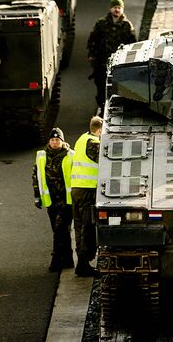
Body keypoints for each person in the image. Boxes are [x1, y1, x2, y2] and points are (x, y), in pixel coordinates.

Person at [32, 127, 75, 272]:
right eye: (52, 140)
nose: (55, 143)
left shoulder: (71, 155)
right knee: (60, 230)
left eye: (57, 140)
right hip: (51, 200)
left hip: (66, 200)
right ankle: (68, 259)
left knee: (60, 229)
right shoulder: (42, 156)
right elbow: (36, 177)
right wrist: (37, 195)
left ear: (62, 141)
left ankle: (56, 261)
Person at [87, 0, 137, 113]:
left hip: (119, 64)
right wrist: (92, 54)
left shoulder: (127, 26)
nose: (117, 10)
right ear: (110, 9)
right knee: (101, 87)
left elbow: (133, 44)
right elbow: (93, 40)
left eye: (119, 7)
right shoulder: (101, 23)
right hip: (101, 62)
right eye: (115, 7)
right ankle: (103, 108)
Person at [70, 116, 103, 277]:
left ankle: (81, 262)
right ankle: (83, 263)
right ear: (100, 130)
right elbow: (103, 162)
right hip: (87, 190)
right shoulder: (94, 143)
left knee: (78, 226)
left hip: (76, 189)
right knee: (87, 228)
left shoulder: (81, 139)